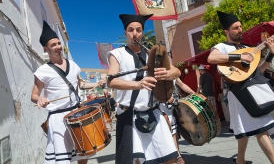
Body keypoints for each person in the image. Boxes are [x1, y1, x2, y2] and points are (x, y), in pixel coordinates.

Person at [207, 11, 274, 164]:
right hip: (239, 92)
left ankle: (240, 160)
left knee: (245, 129)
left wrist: (271, 54)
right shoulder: (221, 47)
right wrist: (239, 56)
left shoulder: (248, 48)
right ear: (226, 31)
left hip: (252, 88)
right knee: (261, 128)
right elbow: (211, 58)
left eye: (240, 27)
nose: (240, 30)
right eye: (235, 28)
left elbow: (257, 71)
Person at [107, 13, 181, 164]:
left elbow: (177, 72)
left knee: (171, 158)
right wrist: (138, 84)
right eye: (131, 30)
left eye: (139, 30)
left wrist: (167, 73)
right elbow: (111, 81)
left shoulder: (151, 54)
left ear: (142, 32)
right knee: (137, 161)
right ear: (125, 33)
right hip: (129, 115)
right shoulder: (117, 54)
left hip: (153, 111)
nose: (135, 34)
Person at [31, 21, 105, 164]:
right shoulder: (42, 72)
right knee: (63, 160)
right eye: (53, 45)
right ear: (46, 49)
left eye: (59, 43)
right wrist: (39, 99)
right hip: (58, 119)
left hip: (76, 114)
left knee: (82, 155)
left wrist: (97, 83)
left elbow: (80, 84)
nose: (58, 47)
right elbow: (33, 95)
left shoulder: (73, 65)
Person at [159, 77, 195, 164]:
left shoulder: (172, 73)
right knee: (168, 134)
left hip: (172, 108)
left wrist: (194, 93)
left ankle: (177, 155)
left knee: (174, 133)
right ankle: (175, 156)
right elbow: (154, 90)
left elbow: (182, 85)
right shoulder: (157, 73)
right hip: (160, 108)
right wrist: (165, 97)